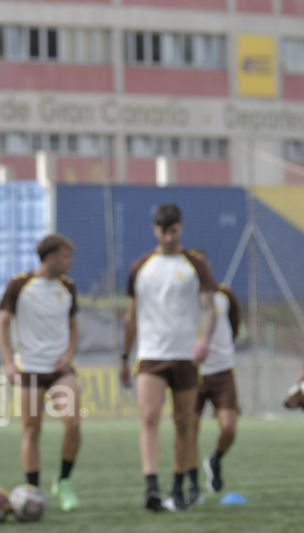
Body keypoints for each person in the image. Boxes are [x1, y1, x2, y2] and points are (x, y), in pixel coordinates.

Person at [119, 204, 217, 513]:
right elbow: (131, 316)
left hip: (185, 355)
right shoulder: (141, 267)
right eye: (163, 230)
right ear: (155, 230)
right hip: (151, 355)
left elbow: (208, 307)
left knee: (184, 423)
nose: (169, 236)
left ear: (181, 229)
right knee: (149, 418)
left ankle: (178, 486)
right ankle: (151, 487)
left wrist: (206, 339)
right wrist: (125, 355)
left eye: (173, 230)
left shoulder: (195, 264)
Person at [0, 234, 81, 512]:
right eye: (67, 256)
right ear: (52, 257)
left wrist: (69, 355)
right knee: (32, 430)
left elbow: (74, 326)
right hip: (29, 369)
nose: (71, 261)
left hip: (59, 371)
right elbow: (2, 324)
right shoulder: (19, 285)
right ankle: (33, 491)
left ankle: (64, 481)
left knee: (73, 423)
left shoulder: (68, 286)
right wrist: (9, 362)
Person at [186, 249, 241, 502]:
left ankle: (215, 459)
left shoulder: (224, 295)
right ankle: (192, 484)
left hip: (222, 371)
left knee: (229, 428)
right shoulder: (182, 296)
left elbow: (234, 323)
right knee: (189, 431)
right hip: (193, 373)